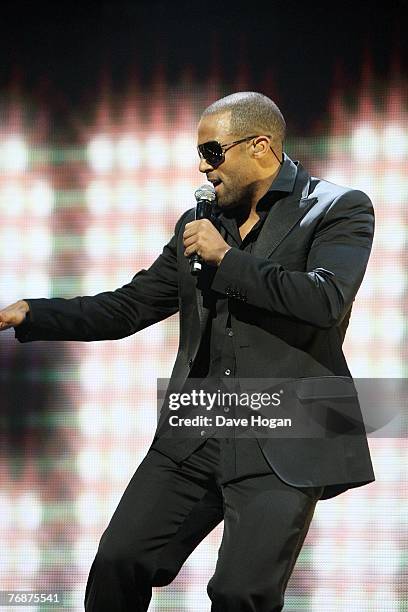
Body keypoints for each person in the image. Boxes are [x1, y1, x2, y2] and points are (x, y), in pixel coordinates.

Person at [0, 91, 375, 611]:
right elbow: (129, 307)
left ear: (260, 146)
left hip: (288, 427)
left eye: (213, 152)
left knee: (240, 594)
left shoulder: (335, 208)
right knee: (117, 564)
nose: (202, 166)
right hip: (199, 424)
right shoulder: (201, 223)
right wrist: (31, 313)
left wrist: (228, 261)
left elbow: (326, 299)